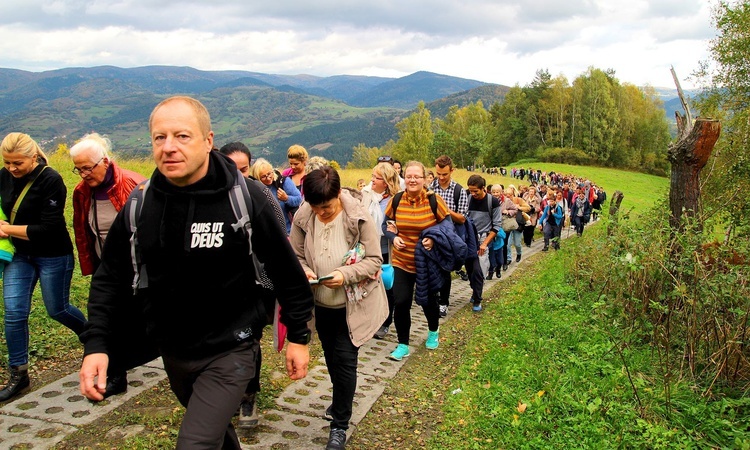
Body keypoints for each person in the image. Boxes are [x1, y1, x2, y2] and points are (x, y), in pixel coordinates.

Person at [78, 96, 314, 449]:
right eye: (160, 138)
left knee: (195, 443)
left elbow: (286, 271)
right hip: (174, 349)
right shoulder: (141, 203)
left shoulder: (246, 197)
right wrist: (97, 345)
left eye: (182, 136)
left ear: (207, 141)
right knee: (215, 435)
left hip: (232, 347)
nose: (169, 147)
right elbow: (109, 277)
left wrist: (299, 336)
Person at [290, 166, 388, 450]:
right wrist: (306, 269)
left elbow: (373, 260)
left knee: (345, 361)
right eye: (316, 207)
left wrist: (345, 275)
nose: (322, 212)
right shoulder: (303, 217)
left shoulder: (358, 217)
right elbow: (294, 254)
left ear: (338, 196)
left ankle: (339, 426)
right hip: (320, 305)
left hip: (351, 306)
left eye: (328, 207)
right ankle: (338, 403)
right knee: (332, 357)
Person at [0, 132, 87, 402]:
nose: (12, 168)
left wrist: (7, 230)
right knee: (14, 313)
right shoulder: (3, 176)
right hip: (19, 255)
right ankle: (20, 374)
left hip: (52, 254)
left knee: (57, 308)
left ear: (33, 157)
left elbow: (49, 229)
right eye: (7, 162)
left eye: (18, 163)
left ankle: (93, 337)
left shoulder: (51, 179)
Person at [70, 132, 146, 398]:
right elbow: (82, 229)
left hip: (136, 265)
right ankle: (115, 375)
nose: (82, 175)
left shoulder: (133, 185)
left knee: (136, 316)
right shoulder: (81, 191)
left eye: (87, 168)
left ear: (104, 161)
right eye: (77, 169)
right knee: (110, 317)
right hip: (108, 265)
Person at [383, 161, 451, 361]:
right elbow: (385, 225)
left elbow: (447, 226)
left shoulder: (434, 200)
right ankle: (403, 344)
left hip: (426, 261)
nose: (412, 180)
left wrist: (433, 238)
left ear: (424, 179)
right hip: (402, 260)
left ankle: (433, 330)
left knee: (427, 301)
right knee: (401, 301)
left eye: (417, 177)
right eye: (409, 176)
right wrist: (393, 237)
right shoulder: (396, 200)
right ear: (405, 178)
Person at [361, 162, 401, 340]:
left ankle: (385, 322)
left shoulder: (397, 198)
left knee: (386, 287)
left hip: (387, 250)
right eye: (372, 176)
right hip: (368, 249)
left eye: (376, 178)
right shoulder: (366, 195)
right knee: (368, 286)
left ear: (385, 182)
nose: (372, 180)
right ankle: (370, 321)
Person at [430, 155, 470, 317]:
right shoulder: (430, 188)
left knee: (444, 270)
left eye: (444, 174)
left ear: (451, 171)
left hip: (449, 237)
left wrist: (444, 209)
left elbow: (461, 218)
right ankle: (433, 299)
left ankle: (443, 302)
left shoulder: (458, 190)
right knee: (431, 269)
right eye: (438, 173)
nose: (441, 177)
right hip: (432, 235)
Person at [465, 175, 502, 312]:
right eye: (471, 191)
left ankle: (477, 299)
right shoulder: (467, 199)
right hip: (469, 239)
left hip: (483, 239)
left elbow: (496, 226)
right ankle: (474, 290)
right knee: (469, 269)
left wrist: (485, 243)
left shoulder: (493, 202)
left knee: (479, 270)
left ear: (483, 189)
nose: (473, 194)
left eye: (476, 191)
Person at [251, 158, 302, 234]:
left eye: (269, 174)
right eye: (263, 177)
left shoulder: (282, 182)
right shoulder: (255, 189)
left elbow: (299, 199)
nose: (268, 178)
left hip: (288, 231)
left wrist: (286, 198)